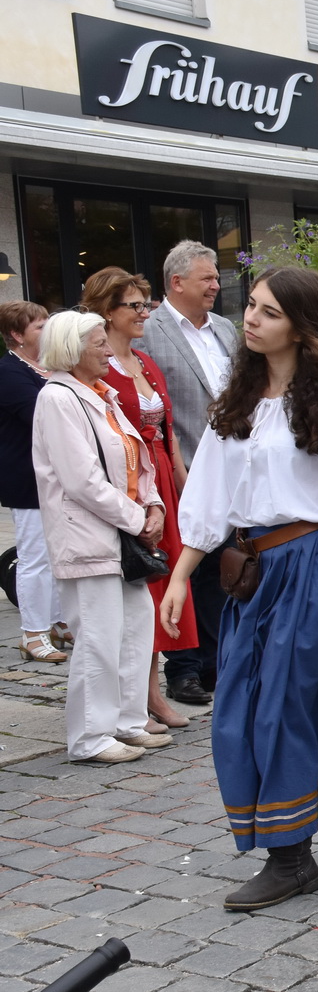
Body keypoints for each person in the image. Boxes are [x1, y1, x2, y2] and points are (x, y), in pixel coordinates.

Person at [162, 266, 318, 910]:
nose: (250, 319)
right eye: (250, 306)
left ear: (301, 326)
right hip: (253, 575)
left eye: (269, 312)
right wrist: (181, 576)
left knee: (290, 704)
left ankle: (291, 855)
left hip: (314, 567)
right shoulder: (237, 400)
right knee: (242, 708)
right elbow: (209, 495)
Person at [32, 309, 169, 764]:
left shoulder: (101, 393)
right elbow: (81, 480)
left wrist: (154, 506)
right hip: (89, 537)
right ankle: (90, 737)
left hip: (122, 535)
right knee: (97, 636)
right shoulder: (58, 397)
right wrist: (137, 516)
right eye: (98, 344)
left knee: (134, 629)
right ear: (72, 350)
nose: (109, 350)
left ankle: (126, 723)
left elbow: (137, 456)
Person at [83, 267, 197, 731]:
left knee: (166, 583)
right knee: (142, 588)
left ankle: (153, 692)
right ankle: (144, 697)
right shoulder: (97, 367)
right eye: (134, 305)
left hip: (161, 484)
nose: (143, 312)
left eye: (144, 303)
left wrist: (184, 482)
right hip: (129, 484)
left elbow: (168, 432)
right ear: (106, 312)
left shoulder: (145, 362)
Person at [139, 240, 238, 707]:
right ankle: (184, 669)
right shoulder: (149, 333)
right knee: (189, 567)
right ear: (176, 283)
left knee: (225, 569)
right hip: (185, 470)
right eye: (208, 278)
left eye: (217, 277)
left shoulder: (224, 329)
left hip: (237, 469)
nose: (217, 285)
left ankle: (217, 663)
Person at [1, 301, 65, 663]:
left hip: (55, 477)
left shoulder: (50, 368)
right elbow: (42, 415)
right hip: (27, 478)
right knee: (35, 557)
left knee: (57, 554)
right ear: (16, 334)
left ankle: (57, 620)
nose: (47, 331)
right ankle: (33, 632)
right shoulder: (9, 372)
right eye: (39, 326)